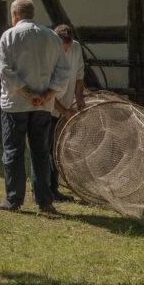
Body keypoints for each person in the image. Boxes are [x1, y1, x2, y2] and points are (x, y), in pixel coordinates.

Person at [0, 0, 73, 214]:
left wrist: (27, 93)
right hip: (43, 105)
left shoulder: (9, 36)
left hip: (15, 104)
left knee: (13, 150)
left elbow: (5, 71)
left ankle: (14, 199)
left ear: (14, 15)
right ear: (32, 13)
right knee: (40, 152)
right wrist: (46, 95)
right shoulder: (51, 36)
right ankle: (44, 201)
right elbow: (63, 71)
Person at [47, 24, 88, 201]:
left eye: (68, 45)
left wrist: (80, 100)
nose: (66, 49)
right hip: (47, 108)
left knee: (57, 147)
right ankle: (45, 189)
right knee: (46, 148)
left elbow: (79, 76)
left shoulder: (76, 47)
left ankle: (54, 189)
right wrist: (64, 111)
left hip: (65, 105)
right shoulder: (48, 50)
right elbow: (46, 91)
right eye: (63, 45)